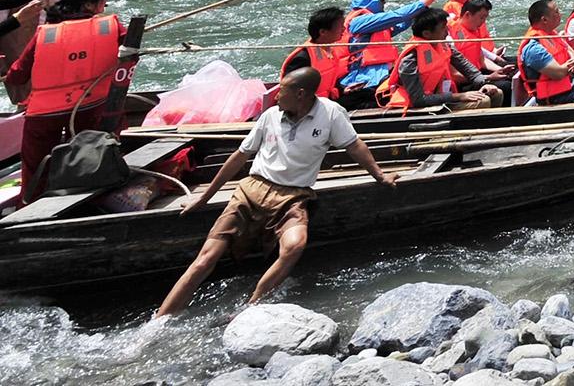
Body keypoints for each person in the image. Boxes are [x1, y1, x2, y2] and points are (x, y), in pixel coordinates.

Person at [156, 66, 395, 318]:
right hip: (252, 190)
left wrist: (380, 176)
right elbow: (239, 157)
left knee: (295, 245)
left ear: (301, 94)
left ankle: (251, 308)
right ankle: (161, 318)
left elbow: (354, 146)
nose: (276, 96)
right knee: (205, 259)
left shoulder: (331, 114)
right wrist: (202, 199)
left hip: (293, 195)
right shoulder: (270, 115)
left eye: (282, 91)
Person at [8, 0, 137, 203]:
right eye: (103, 1)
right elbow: (131, 55)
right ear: (89, 6)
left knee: (35, 166)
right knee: (100, 148)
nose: (104, 6)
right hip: (93, 106)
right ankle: (96, 196)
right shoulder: (110, 25)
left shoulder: (45, 33)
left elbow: (16, 75)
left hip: (43, 113)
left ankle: (29, 204)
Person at [381, 8, 497, 110]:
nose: (447, 31)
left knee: (496, 93)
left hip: (441, 97)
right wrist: (459, 96)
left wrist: (484, 82)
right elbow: (418, 100)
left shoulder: (444, 46)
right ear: (427, 34)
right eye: (443, 28)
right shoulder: (410, 59)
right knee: (483, 101)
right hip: (419, 105)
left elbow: (467, 68)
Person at [341, 0, 435, 99]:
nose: (384, 4)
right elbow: (396, 16)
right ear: (373, 2)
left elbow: (400, 24)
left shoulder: (378, 22)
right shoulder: (359, 21)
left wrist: (418, 12)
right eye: (382, 1)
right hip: (365, 78)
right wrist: (421, 3)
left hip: (383, 73)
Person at [0, 0, 59, 95]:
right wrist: (19, 18)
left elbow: (68, 4)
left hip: (44, 54)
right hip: (15, 62)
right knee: (26, 101)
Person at [280, 7, 354, 102]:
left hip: (328, 99)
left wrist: (343, 89)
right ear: (323, 32)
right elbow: (291, 92)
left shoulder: (328, 51)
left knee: (367, 93)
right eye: (340, 26)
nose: (344, 29)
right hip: (313, 106)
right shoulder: (303, 58)